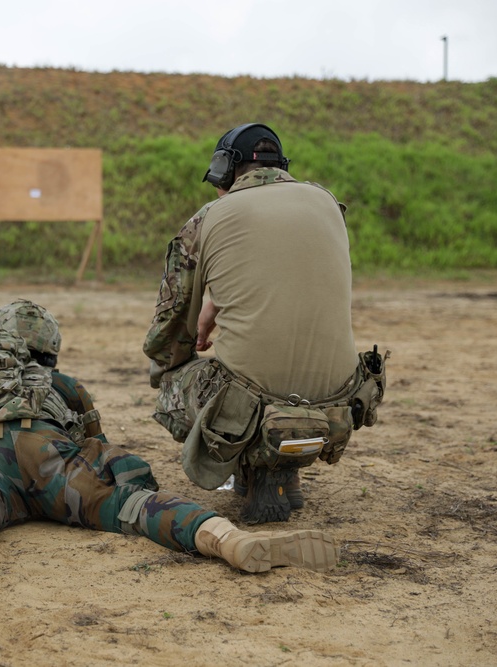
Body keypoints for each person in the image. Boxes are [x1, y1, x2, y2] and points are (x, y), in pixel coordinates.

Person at [0, 299, 339, 595]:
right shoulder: (62, 386)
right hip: (52, 462)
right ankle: (227, 539)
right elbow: (96, 445)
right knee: (133, 505)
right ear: (49, 350)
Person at [144, 123, 387, 524]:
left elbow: (170, 323)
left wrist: (169, 365)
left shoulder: (209, 217)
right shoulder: (328, 203)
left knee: (175, 376)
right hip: (341, 403)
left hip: (252, 407)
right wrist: (215, 306)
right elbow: (285, 279)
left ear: (223, 171)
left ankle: (255, 468)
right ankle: (283, 472)